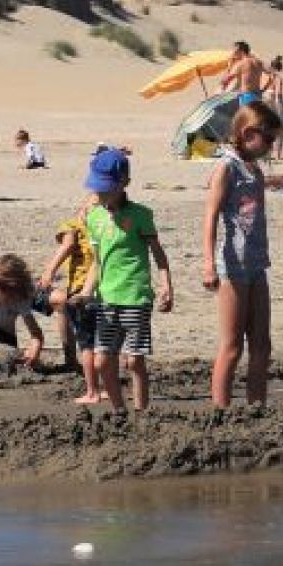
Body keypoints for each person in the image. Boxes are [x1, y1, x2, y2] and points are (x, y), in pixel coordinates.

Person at [75, 149, 174, 411]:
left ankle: (141, 412)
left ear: (123, 184)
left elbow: (159, 256)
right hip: (106, 299)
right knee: (101, 361)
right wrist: (86, 292)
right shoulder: (94, 218)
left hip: (136, 296)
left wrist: (166, 286)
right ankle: (120, 412)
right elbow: (98, 261)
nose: (101, 193)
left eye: (106, 188)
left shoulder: (140, 215)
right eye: (98, 187)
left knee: (134, 361)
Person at [203, 101, 283, 407]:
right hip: (233, 266)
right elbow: (210, 216)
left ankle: (256, 406)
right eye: (269, 140)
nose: (271, 147)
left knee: (262, 345)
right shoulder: (226, 168)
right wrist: (208, 264)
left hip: (257, 264)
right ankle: (221, 411)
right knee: (232, 345)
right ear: (248, 133)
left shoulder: (255, 171)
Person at [38, 197, 100, 402]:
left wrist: (49, 271)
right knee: (103, 341)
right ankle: (101, 382)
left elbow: (67, 245)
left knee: (88, 342)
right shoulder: (103, 227)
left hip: (82, 289)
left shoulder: (75, 225)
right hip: (103, 289)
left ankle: (92, 388)